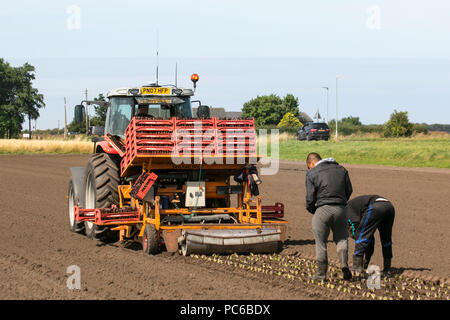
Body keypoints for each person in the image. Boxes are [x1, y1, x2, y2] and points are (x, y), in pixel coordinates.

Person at [305, 152, 353, 281]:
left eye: (309, 166)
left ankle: (321, 274)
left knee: (321, 242)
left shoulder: (311, 173)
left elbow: (310, 197)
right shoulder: (341, 169)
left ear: (311, 163)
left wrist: (313, 210)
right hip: (341, 208)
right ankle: (344, 265)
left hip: (322, 209)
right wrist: (341, 202)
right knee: (342, 238)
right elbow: (349, 190)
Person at [345, 195, 395, 274]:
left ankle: (356, 267)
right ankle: (387, 267)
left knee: (361, 235)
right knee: (386, 238)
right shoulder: (353, 207)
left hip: (376, 207)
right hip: (389, 206)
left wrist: (354, 235)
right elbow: (369, 238)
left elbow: (358, 230)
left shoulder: (346, 211)